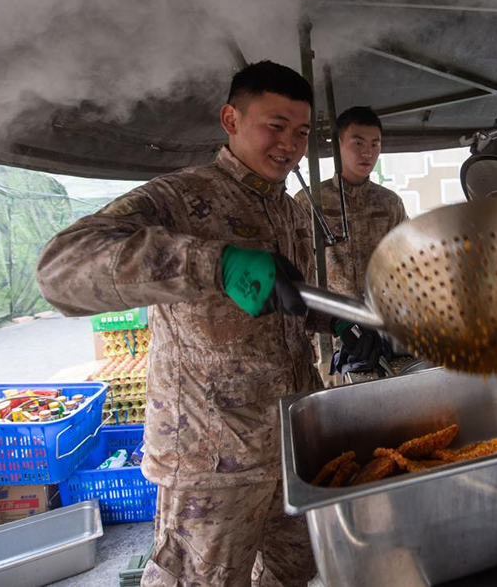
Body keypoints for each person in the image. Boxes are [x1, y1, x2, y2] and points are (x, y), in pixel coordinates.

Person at [36, 60, 337, 586]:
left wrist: (344, 321)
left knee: (292, 572)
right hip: (209, 464)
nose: (289, 144)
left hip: (288, 449)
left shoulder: (287, 210)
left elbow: (284, 304)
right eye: (275, 126)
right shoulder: (179, 198)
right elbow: (61, 268)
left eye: (302, 132)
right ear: (231, 119)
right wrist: (212, 263)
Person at [294, 106, 407, 374]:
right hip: (331, 333)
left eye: (374, 144)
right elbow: (297, 272)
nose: (367, 152)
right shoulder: (309, 201)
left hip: (383, 329)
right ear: (339, 145)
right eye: (358, 143)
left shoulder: (390, 203)